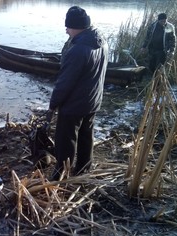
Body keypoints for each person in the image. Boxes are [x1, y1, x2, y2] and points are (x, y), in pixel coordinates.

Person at [47, 6, 109, 181]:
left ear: (76, 26)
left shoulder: (77, 50)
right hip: (93, 100)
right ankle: (83, 169)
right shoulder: (101, 40)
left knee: (66, 140)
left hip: (74, 105)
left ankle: (61, 174)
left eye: (68, 26)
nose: (66, 30)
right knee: (86, 135)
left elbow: (64, 83)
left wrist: (53, 104)